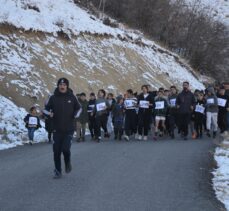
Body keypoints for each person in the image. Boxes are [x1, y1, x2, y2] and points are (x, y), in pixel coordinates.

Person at [44, 78, 81, 179]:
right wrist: (49, 113)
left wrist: (75, 114)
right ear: (58, 86)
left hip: (69, 128)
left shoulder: (72, 97)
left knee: (65, 149)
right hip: (56, 129)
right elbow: (45, 110)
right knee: (56, 151)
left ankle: (67, 162)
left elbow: (79, 108)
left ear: (67, 86)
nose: (62, 86)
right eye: (60, 84)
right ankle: (57, 171)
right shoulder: (53, 98)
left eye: (64, 84)